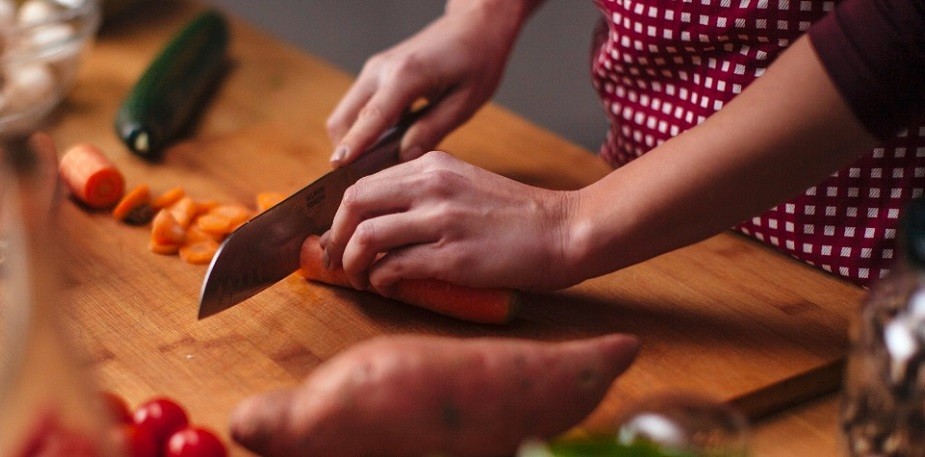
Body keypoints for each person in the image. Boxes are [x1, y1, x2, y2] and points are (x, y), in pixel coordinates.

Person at [231, 0, 924, 453]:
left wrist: (570, 224)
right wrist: (486, 14)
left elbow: (902, 27)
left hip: (858, 293)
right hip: (643, 226)